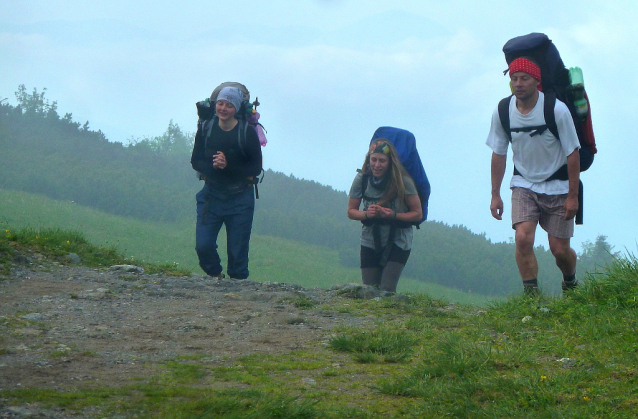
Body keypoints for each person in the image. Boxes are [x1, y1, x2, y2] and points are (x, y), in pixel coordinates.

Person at [486, 57, 581, 294]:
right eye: (514, 79)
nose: (518, 84)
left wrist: (573, 196)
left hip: (558, 186)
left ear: (536, 81)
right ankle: (532, 296)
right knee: (523, 238)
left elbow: (572, 153)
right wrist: (495, 194)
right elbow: (499, 153)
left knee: (559, 250)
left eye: (524, 79)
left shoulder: (556, 110)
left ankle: (570, 281)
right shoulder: (502, 111)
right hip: (523, 184)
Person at [191, 86, 263, 279]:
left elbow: (255, 168)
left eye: (229, 105)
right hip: (211, 195)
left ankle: (237, 293)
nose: (223, 108)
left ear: (236, 109)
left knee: (237, 252)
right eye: (220, 103)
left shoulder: (246, 133)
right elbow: (195, 161)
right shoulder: (206, 128)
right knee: (203, 246)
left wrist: (227, 166)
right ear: (215, 105)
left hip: (240, 198)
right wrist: (214, 167)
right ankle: (216, 276)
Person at [347, 139, 422, 293]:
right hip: (370, 238)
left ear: (390, 162)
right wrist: (367, 214)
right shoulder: (362, 180)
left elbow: (417, 214)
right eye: (373, 160)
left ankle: (388, 315)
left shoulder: (403, 181)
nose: (377, 165)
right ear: (368, 160)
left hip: (399, 239)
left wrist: (394, 215)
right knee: (369, 289)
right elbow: (351, 211)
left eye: (382, 161)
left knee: (387, 289)